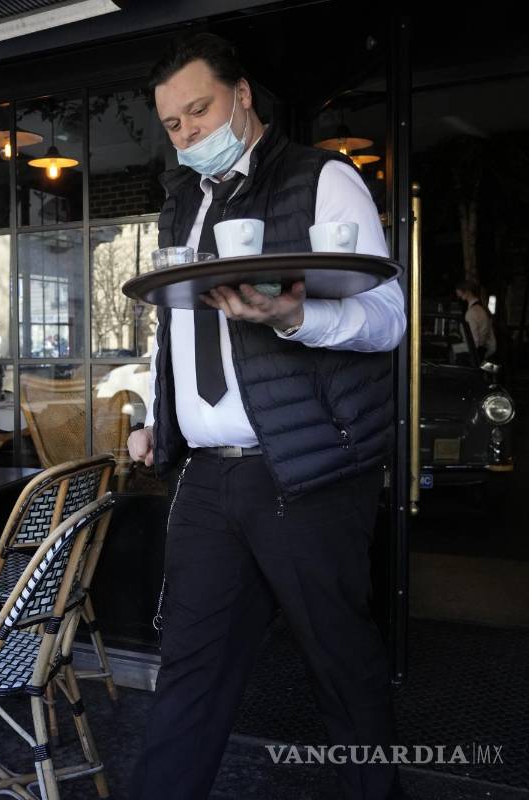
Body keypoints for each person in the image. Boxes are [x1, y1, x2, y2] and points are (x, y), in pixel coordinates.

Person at [126, 34, 406, 800]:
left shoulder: (323, 178)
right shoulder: (180, 200)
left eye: (200, 110)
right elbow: (175, 329)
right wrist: (158, 416)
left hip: (308, 471)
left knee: (341, 666)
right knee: (189, 669)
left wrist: (294, 317)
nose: (188, 133)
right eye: (173, 123)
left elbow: (388, 317)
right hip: (209, 479)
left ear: (242, 96)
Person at [454, 280, 497, 362]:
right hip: (481, 353)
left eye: (458, 291)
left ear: (467, 292)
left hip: (474, 357)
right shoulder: (482, 309)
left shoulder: (472, 313)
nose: (457, 294)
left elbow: (474, 343)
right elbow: (492, 345)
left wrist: (453, 348)